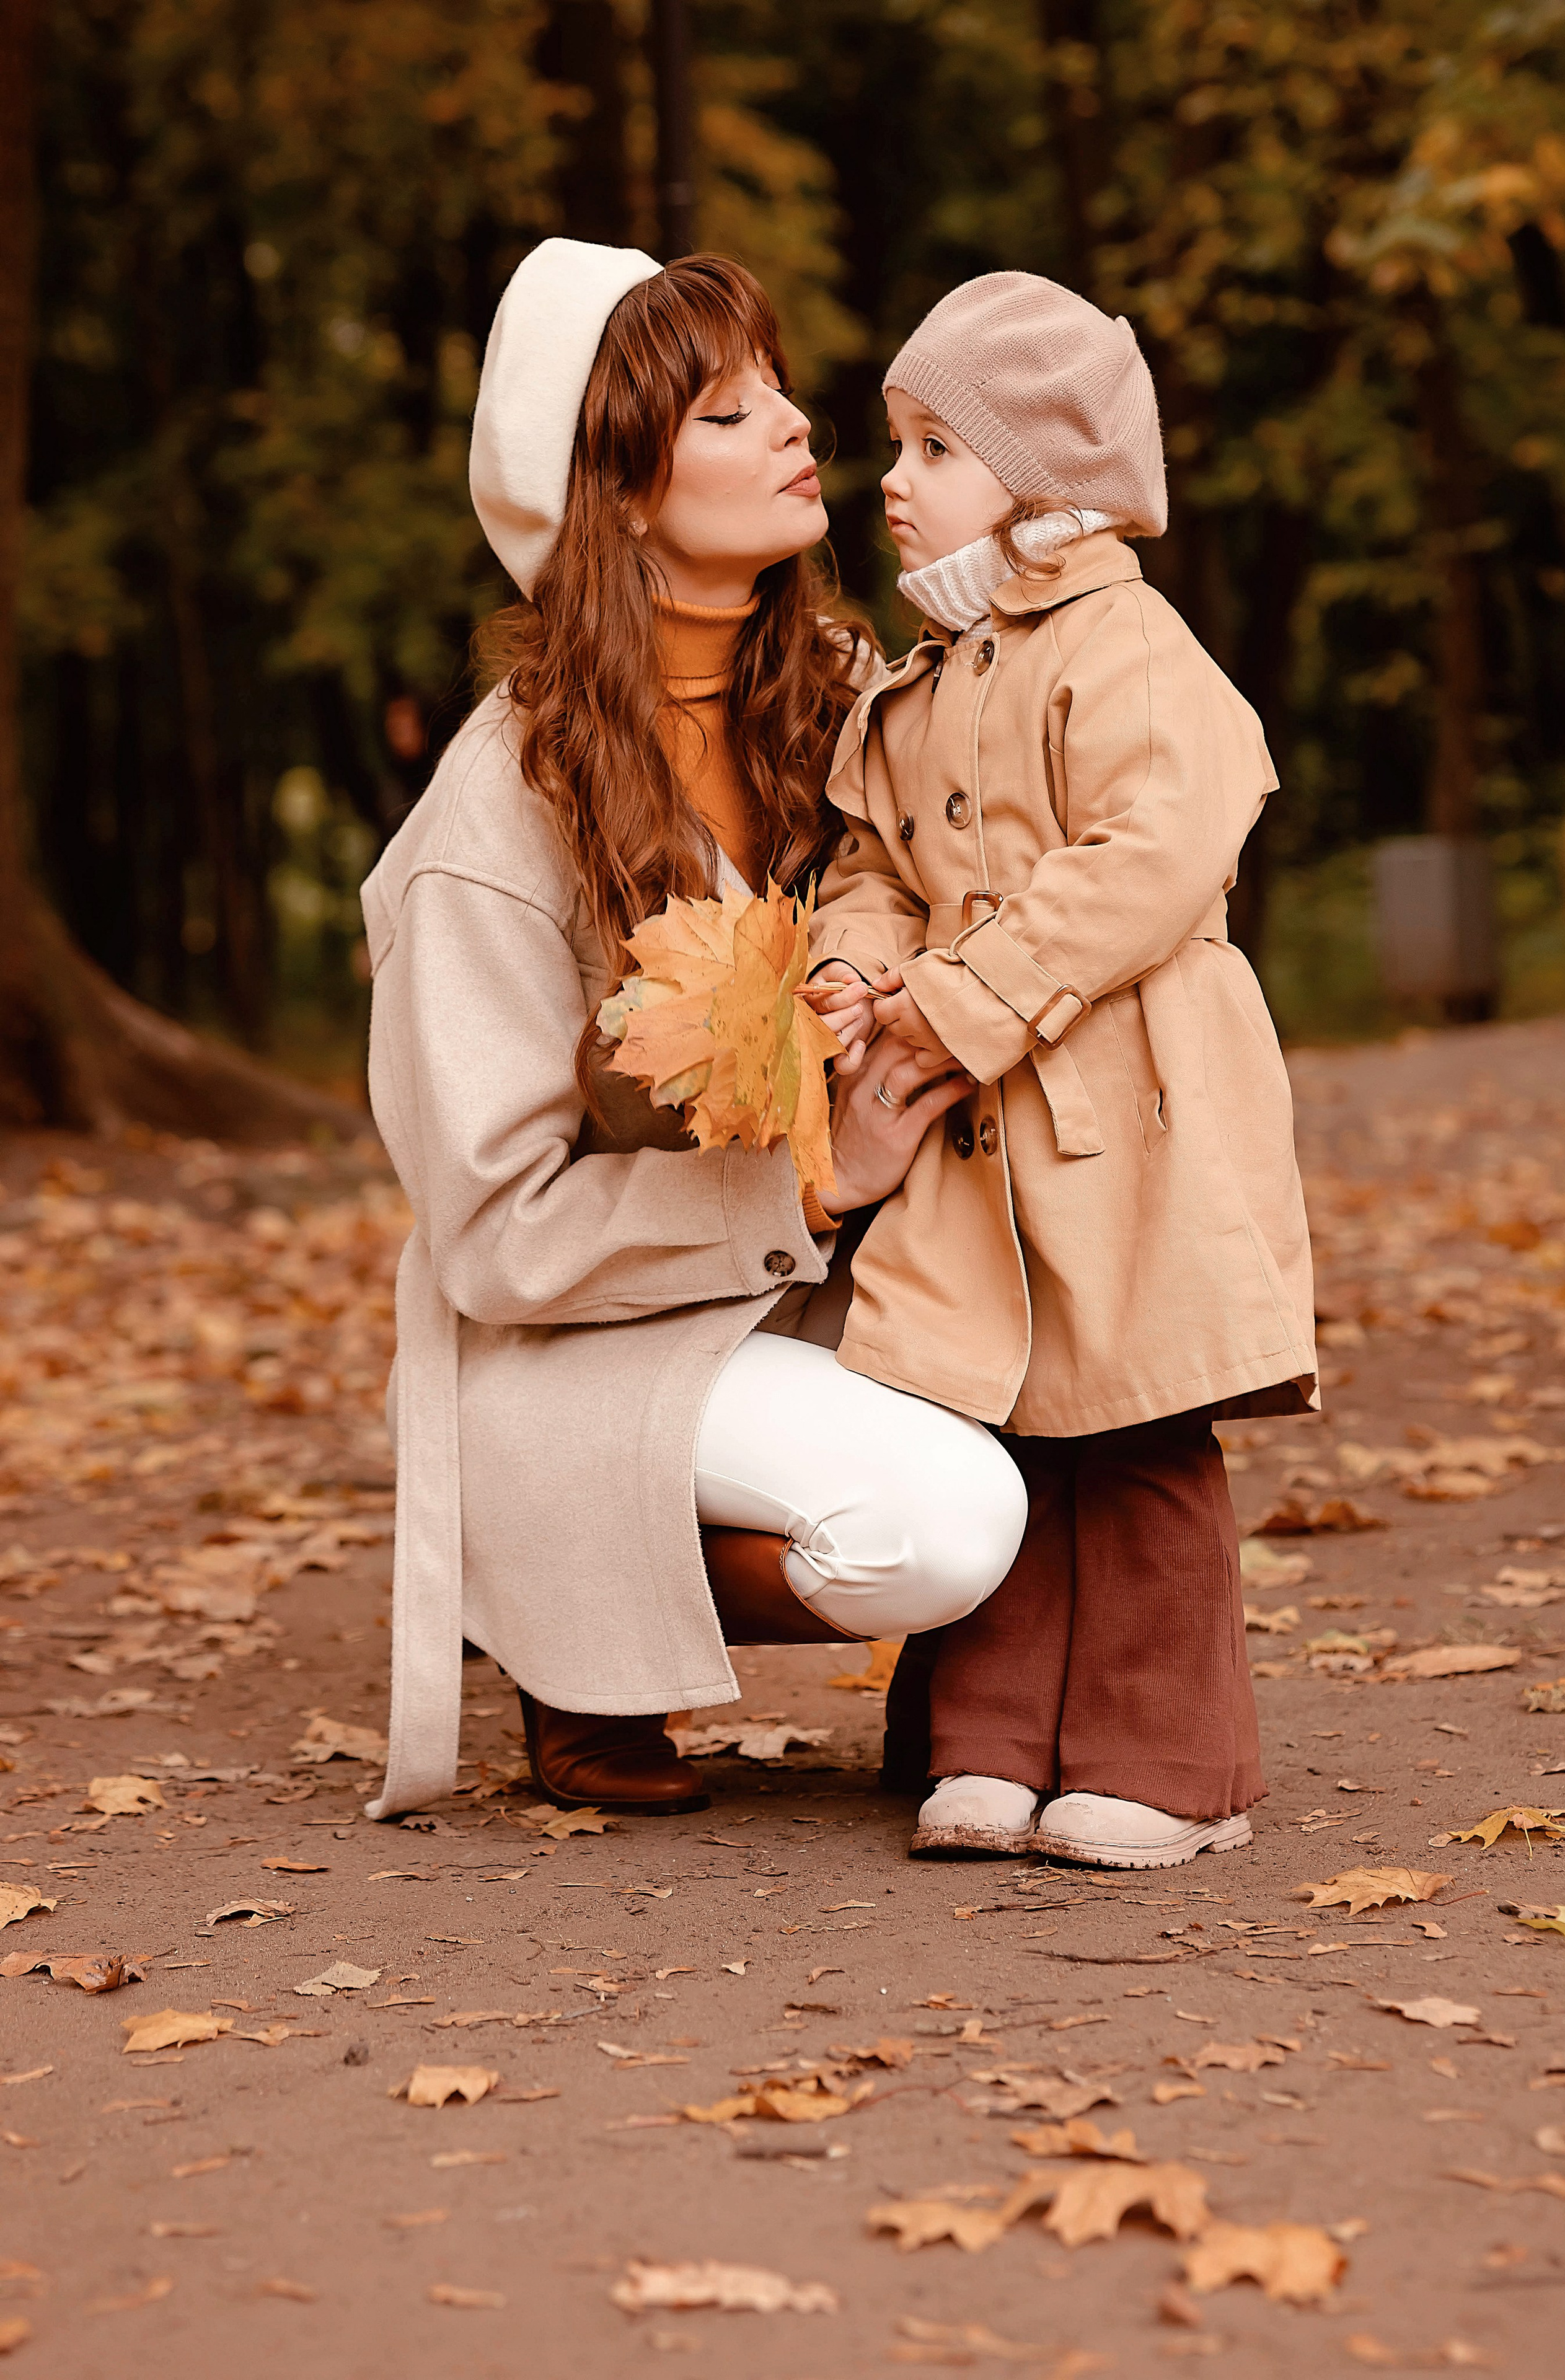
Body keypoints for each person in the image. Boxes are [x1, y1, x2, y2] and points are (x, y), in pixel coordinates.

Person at [357, 239, 1028, 1823]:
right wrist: (802, 1189)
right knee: (941, 1526)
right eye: (727, 414)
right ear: (614, 494)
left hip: (849, 1287)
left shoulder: (851, 693)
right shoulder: (496, 817)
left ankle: (1019, 1704)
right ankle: (560, 1603)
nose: (796, 425)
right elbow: (496, 1236)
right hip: (593, 1339)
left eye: (777, 390)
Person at [803, 271, 1317, 1867]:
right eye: (896, 443)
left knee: (1135, 1422)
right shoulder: (918, 681)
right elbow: (870, 864)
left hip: (1129, 1101)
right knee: (994, 1419)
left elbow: (1154, 849)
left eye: (934, 446)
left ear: (1039, 475)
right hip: (975, 1128)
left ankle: (1168, 1758)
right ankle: (988, 1736)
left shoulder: (1125, 643)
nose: (891, 481)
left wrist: (963, 995)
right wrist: (852, 966)